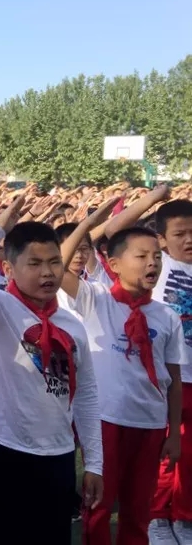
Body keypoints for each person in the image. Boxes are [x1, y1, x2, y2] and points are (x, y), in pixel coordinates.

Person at [0, 197, 104, 545]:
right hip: (1, 448)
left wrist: (94, 463)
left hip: (57, 454)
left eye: (54, 262)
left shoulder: (72, 324)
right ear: (8, 269)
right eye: (34, 263)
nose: (47, 272)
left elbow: (86, 395)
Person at [60, 201, 183, 545]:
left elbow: (173, 380)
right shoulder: (96, 299)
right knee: (98, 505)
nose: (152, 263)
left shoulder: (166, 316)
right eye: (141, 256)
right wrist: (87, 225)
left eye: (156, 257)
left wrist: (173, 433)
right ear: (113, 264)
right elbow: (60, 265)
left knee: (138, 508)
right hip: (106, 421)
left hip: (150, 423)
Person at [104, 188, 192, 541]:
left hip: (182, 373)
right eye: (180, 234)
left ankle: (182, 517)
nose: (188, 240)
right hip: (162, 379)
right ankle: (158, 517)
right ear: (162, 239)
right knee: (162, 453)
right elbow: (114, 233)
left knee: (184, 453)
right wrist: (152, 200)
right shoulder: (158, 262)